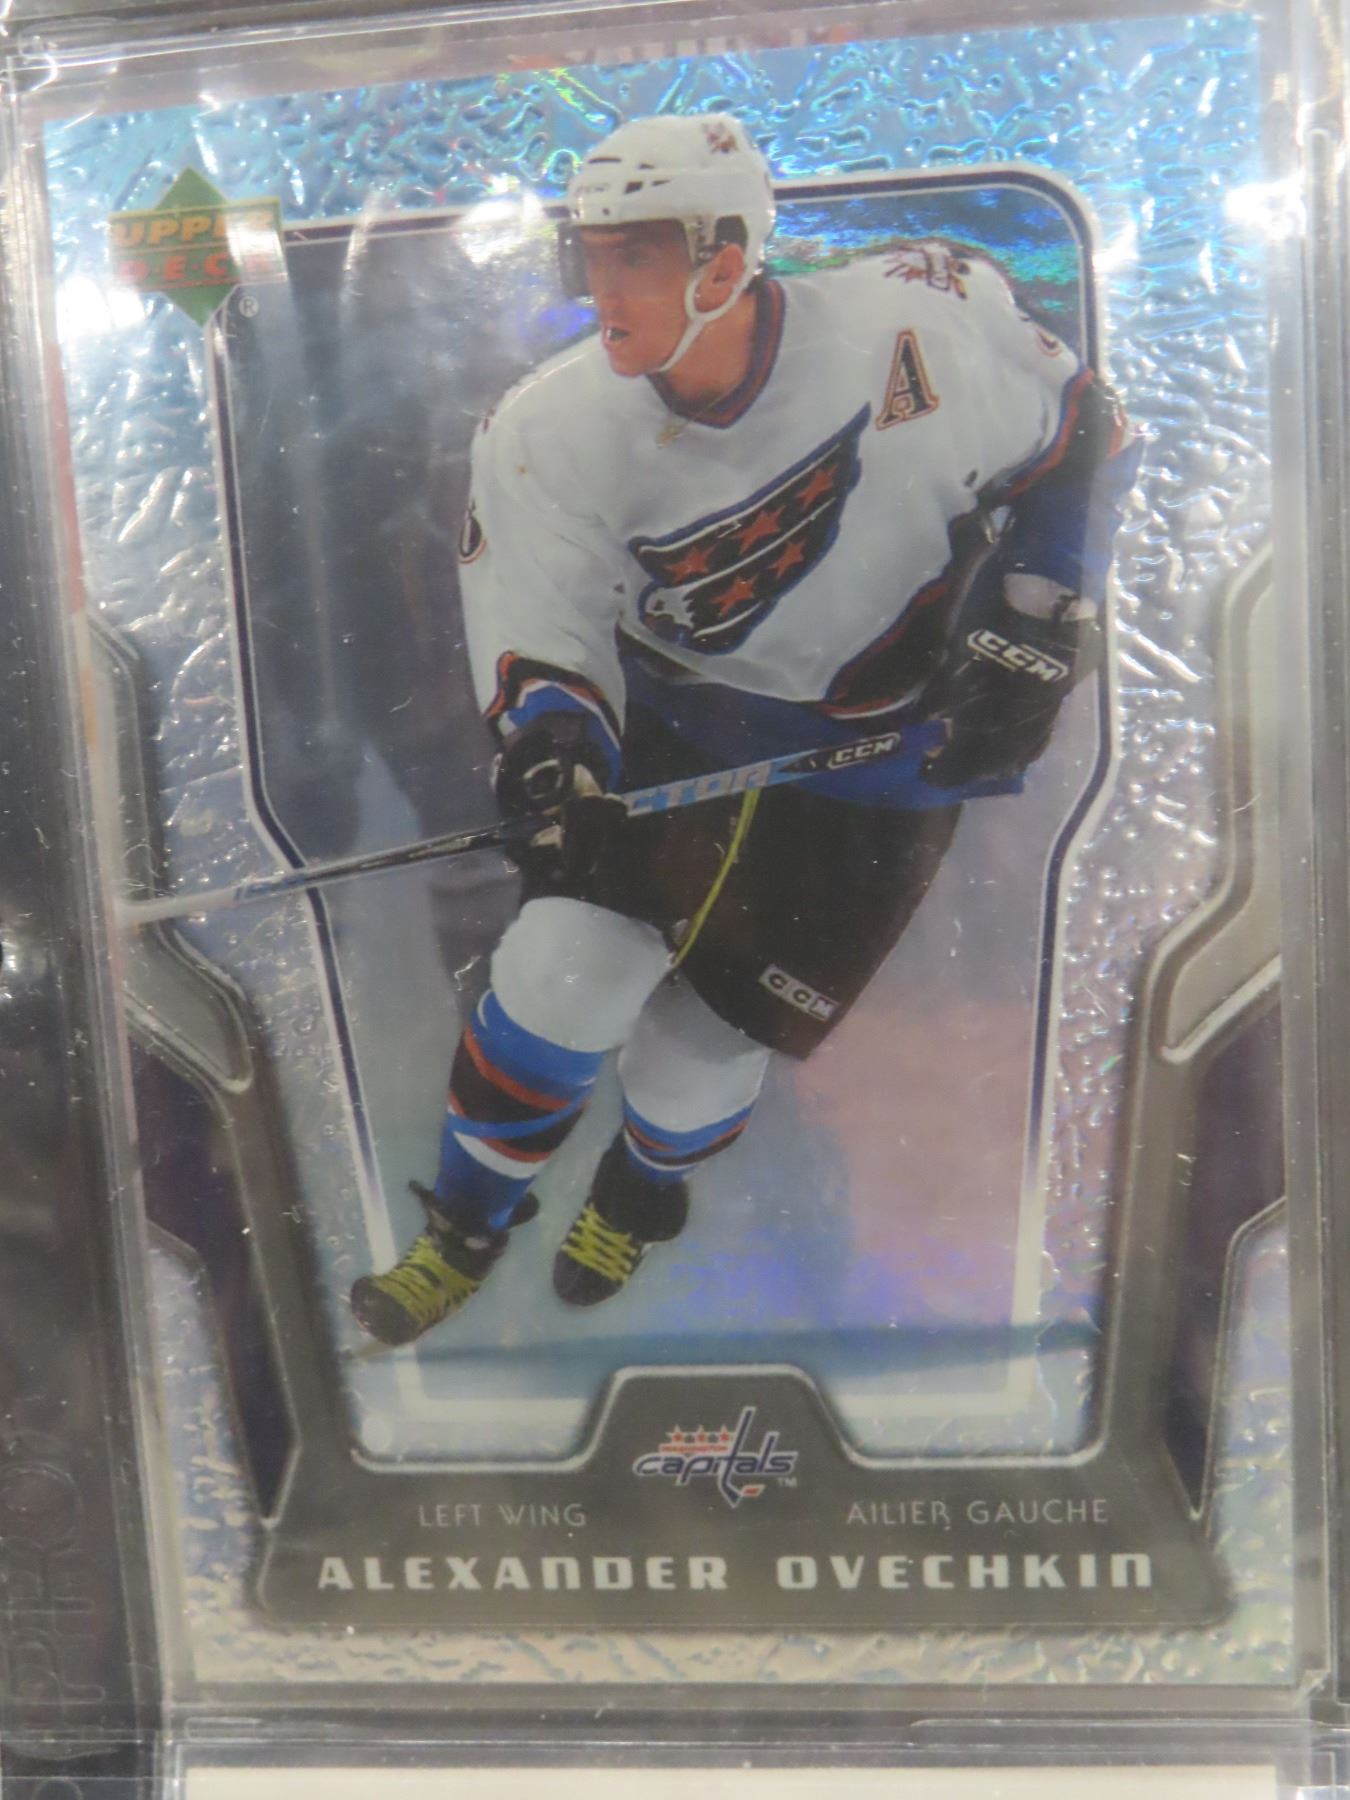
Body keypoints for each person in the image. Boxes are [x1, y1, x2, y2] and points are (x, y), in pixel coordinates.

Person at [349, 112, 1138, 1347]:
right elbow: (541, 630)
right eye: (592, 254)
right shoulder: (548, 429)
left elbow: (1082, 432)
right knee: (561, 975)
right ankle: (464, 1226)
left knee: (698, 1057)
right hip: (681, 726)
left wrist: (1039, 615)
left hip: (884, 762)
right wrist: (556, 749)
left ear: (726, 260)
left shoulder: (909, 331)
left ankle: (642, 1192)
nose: (605, 290)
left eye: (638, 256)